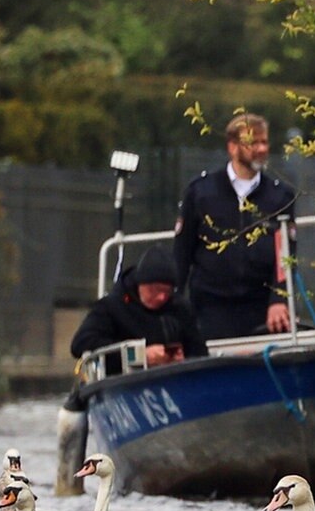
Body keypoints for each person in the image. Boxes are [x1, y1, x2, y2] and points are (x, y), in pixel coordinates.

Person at [173, 111, 299, 341]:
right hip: (211, 308)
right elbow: (182, 254)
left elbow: (286, 256)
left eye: (264, 141)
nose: (261, 149)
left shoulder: (280, 196)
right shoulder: (201, 192)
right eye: (253, 142)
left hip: (262, 308)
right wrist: (174, 306)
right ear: (233, 147)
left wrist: (279, 300)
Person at [69, 244, 208, 368]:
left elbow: (199, 351)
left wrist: (184, 360)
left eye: (168, 291)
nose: (162, 297)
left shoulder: (180, 309)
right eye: (155, 290)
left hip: (174, 380)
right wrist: (139, 355)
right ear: (140, 283)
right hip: (124, 383)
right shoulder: (110, 307)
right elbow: (81, 343)